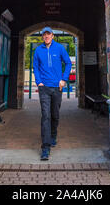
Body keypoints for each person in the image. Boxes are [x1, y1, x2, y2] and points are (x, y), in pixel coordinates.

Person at [33, 27, 72, 160]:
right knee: (45, 116)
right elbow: (36, 67)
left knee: (55, 115)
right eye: (44, 35)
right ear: (42, 37)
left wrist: (64, 79)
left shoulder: (60, 48)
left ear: (52, 36)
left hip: (57, 87)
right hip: (44, 88)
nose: (46, 36)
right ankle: (45, 148)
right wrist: (39, 82)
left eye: (48, 34)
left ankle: (53, 135)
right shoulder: (38, 50)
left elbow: (68, 63)